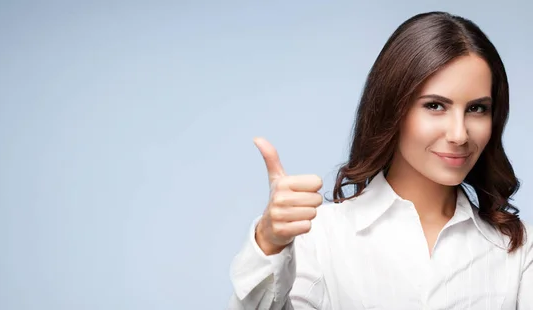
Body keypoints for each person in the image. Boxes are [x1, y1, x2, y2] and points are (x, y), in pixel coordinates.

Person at [227, 11, 532, 309]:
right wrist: (268, 243)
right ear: (392, 108)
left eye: (477, 109)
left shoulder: (517, 249)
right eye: (436, 105)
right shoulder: (320, 238)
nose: (459, 134)